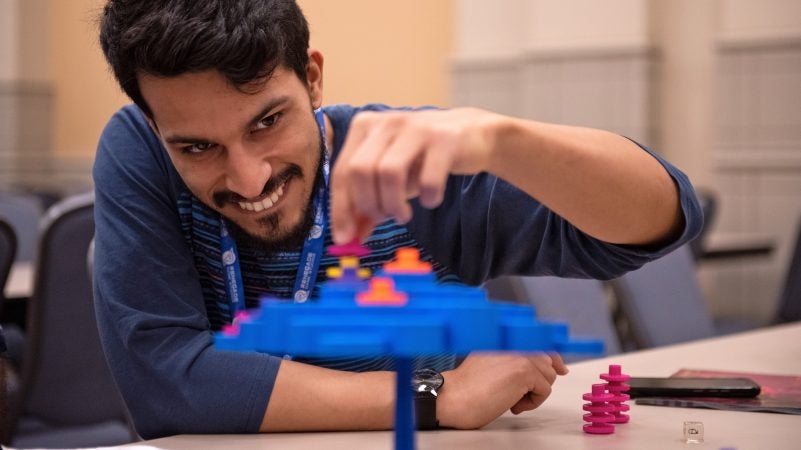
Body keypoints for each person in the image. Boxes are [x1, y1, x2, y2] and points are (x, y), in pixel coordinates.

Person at [94, 0, 702, 440]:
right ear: (154, 124)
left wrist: (504, 140)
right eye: (198, 148)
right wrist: (434, 398)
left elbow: (662, 219)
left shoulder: (404, 168)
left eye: (267, 122)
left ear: (311, 77)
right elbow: (166, 385)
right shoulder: (139, 152)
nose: (250, 179)